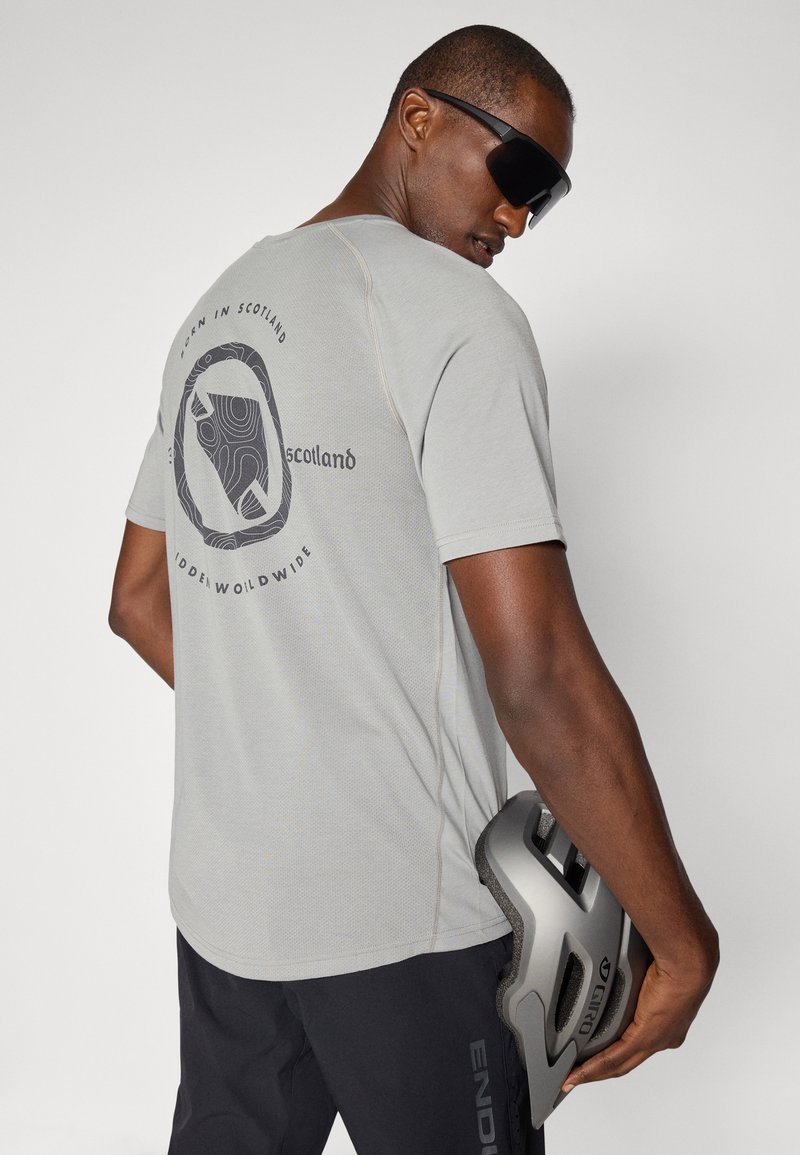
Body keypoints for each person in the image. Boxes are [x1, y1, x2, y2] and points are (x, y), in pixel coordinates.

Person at [109, 23, 719, 1155]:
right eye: (517, 170)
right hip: (407, 921)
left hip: (228, 904)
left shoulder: (221, 308)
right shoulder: (455, 315)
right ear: (419, 118)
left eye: (547, 196)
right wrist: (682, 946)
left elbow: (139, 598)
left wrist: (293, 746)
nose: (518, 217)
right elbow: (537, 674)